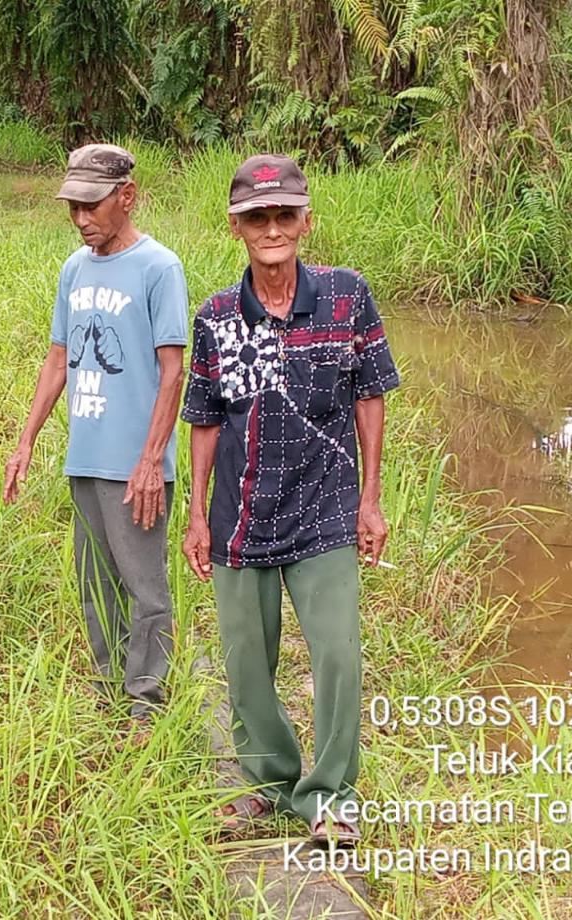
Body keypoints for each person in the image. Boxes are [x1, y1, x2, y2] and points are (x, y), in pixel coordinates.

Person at [180, 154, 400, 842]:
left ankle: (330, 794)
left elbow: (370, 395)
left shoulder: (346, 296)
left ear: (306, 221)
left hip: (326, 508)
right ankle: (267, 783)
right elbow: (205, 420)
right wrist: (196, 515)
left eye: (284, 215)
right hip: (242, 515)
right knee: (247, 662)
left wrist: (370, 499)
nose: (271, 229)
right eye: (257, 217)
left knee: (337, 653)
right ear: (236, 227)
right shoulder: (217, 317)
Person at [3, 144, 189, 730]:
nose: (81, 219)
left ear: (127, 197)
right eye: (73, 208)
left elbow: (173, 372)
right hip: (84, 457)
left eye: (92, 205)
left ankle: (146, 701)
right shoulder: (74, 269)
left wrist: (150, 460)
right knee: (95, 584)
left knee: (144, 587)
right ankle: (109, 689)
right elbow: (58, 358)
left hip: (134, 466)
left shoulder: (159, 268)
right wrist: (26, 441)